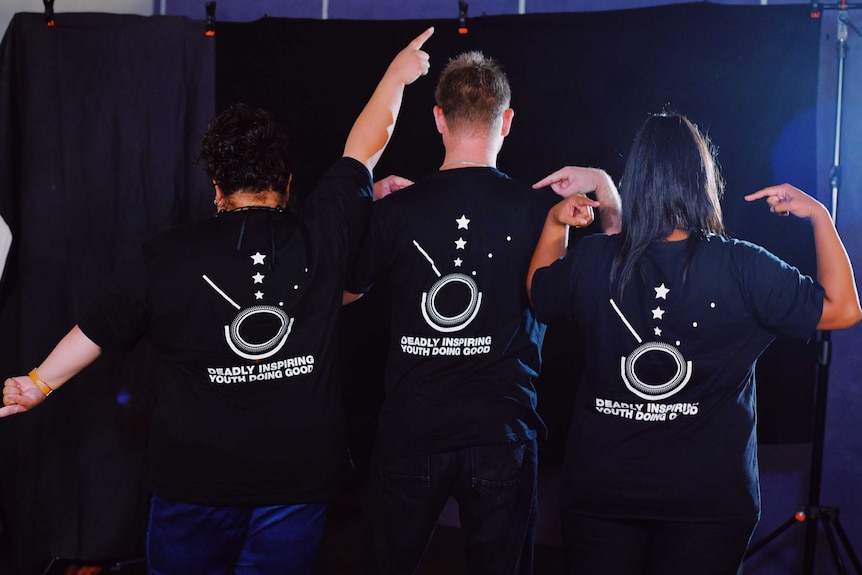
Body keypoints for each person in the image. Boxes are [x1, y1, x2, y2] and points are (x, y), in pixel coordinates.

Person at [0, 27, 434, 575]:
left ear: (216, 187)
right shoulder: (323, 230)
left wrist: (38, 383)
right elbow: (366, 146)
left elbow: (96, 329)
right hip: (297, 483)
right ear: (289, 180)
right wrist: (397, 73)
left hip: (193, 487)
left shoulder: (166, 254)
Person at [527, 112, 862, 575]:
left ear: (638, 179)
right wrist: (820, 218)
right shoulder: (742, 266)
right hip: (710, 502)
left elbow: (539, 294)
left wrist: (554, 224)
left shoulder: (594, 258)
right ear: (702, 180)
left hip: (602, 494)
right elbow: (844, 309)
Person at [343, 50, 620, 575]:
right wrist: (605, 189)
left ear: (439, 117)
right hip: (501, 434)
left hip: (412, 433)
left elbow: (339, 295)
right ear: (507, 121)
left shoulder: (396, 208)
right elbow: (617, 274)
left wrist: (364, 210)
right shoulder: (544, 211)